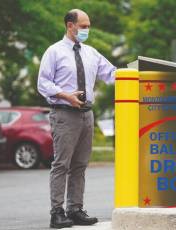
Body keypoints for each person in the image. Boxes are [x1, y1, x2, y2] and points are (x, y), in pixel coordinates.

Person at [37, 9, 116, 229]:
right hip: (64, 113)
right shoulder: (54, 52)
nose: (87, 30)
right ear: (70, 25)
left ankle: (75, 209)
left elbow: (111, 74)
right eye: (83, 26)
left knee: (80, 165)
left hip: (86, 115)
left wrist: (137, 74)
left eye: (88, 26)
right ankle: (57, 212)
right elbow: (43, 83)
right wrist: (65, 95)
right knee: (62, 164)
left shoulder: (91, 53)